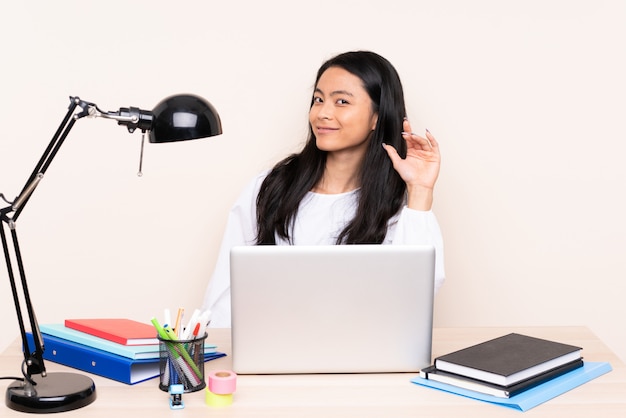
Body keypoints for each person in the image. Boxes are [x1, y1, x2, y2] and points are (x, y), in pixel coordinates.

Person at [202, 50, 445, 327]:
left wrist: (421, 189)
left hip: (359, 352)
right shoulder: (270, 186)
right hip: (273, 349)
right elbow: (225, 290)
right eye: (318, 100)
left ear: (377, 118)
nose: (322, 113)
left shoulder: (399, 206)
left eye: (341, 101)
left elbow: (415, 296)